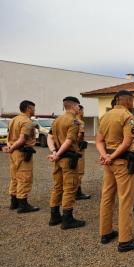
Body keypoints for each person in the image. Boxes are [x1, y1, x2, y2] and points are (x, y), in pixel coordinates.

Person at [96, 90, 134, 252]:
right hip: (122, 161)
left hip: (109, 161)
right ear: (128, 101)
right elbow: (126, 142)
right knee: (125, 200)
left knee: (107, 197)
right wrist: (112, 156)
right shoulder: (128, 117)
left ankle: (106, 232)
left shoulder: (104, 116)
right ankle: (125, 240)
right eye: (132, 101)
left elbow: (99, 141)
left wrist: (105, 156)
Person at [47, 96, 85, 229]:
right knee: (69, 187)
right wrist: (58, 153)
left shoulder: (56, 120)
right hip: (68, 158)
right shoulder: (74, 122)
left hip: (58, 159)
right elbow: (69, 141)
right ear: (74, 106)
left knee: (57, 187)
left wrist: (53, 152)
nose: (79, 109)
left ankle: (54, 216)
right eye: (78, 107)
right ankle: (67, 219)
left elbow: (49, 137)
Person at [3, 100, 39, 213]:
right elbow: (22, 139)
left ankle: (14, 202)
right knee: (24, 177)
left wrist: (10, 147)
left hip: (13, 153)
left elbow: (9, 137)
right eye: (33, 108)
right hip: (22, 152)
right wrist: (13, 148)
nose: (34, 110)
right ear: (28, 108)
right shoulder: (27, 121)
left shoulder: (14, 119)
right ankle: (23, 204)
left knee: (15, 176)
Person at [75, 105, 91, 200]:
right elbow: (79, 135)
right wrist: (79, 143)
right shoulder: (80, 122)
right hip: (78, 150)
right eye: (82, 110)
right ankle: (77, 192)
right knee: (79, 171)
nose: (83, 112)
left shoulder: (64, 119)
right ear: (79, 111)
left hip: (67, 150)